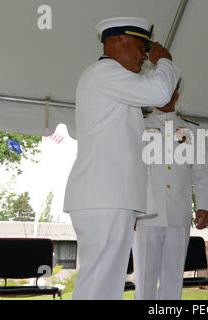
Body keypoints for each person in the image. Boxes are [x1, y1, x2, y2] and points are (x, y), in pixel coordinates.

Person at [63, 17, 181, 300]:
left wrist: (135, 207)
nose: (144, 56)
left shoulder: (111, 79)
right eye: (142, 47)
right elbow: (160, 91)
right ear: (121, 41)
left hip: (110, 197)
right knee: (100, 282)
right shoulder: (105, 73)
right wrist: (165, 61)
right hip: (104, 196)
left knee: (108, 283)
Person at [133, 84, 208, 300]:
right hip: (146, 215)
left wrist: (204, 205)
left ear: (177, 94)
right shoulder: (139, 124)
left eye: (170, 91)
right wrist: (131, 210)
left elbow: (201, 171)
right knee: (144, 280)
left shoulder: (191, 130)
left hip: (179, 214)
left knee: (173, 279)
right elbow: (131, 169)